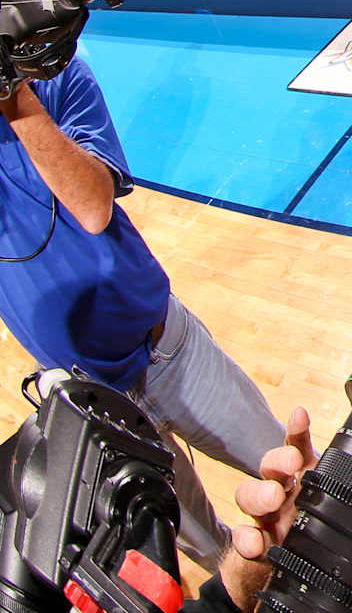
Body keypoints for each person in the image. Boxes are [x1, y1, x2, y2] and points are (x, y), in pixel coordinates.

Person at [0, 56, 284, 566]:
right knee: (200, 543)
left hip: (167, 350)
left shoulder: (56, 78)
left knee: (287, 474)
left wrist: (15, 99)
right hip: (92, 401)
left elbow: (93, 207)